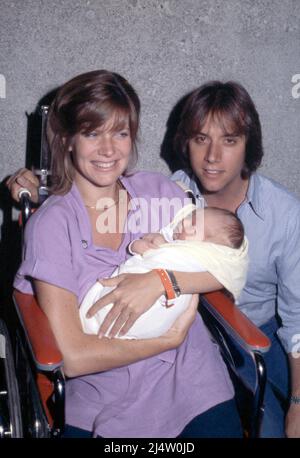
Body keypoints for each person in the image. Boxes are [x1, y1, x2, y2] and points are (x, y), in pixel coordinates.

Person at [10, 70, 243, 438]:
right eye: (92, 133)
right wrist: (165, 340)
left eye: (120, 133)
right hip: (106, 398)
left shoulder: (158, 192)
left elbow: (232, 260)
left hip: (192, 382)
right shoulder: (53, 225)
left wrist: (162, 281)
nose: (108, 150)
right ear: (67, 139)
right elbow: (72, 358)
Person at [169, 80, 300, 438]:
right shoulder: (173, 192)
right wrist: (49, 187)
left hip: (263, 330)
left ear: (248, 146)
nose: (212, 157)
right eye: (201, 139)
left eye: (229, 140)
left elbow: (298, 322)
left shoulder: (285, 214)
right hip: (196, 335)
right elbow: (107, 204)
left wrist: (299, 404)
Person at [80, 204, 248, 340]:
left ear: (206, 248)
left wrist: (154, 248)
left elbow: (164, 258)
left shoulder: (195, 257)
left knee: (104, 310)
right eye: (189, 218)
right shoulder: (178, 239)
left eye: (193, 228)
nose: (184, 223)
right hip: (155, 329)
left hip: (156, 316)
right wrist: (142, 245)